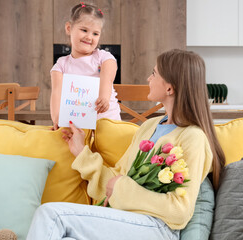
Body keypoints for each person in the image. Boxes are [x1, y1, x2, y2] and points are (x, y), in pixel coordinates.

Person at [27, 49, 226, 240]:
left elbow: (180, 210)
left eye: (153, 73)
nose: (149, 79)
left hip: (158, 228)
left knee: (51, 214)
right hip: (129, 220)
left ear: (169, 88)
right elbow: (115, 180)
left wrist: (121, 189)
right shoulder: (150, 126)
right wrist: (81, 152)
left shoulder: (193, 137)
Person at [50, 2, 121, 130]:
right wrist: (56, 118)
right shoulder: (61, 65)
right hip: (77, 126)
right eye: (84, 30)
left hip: (106, 123)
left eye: (95, 33)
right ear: (69, 28)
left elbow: (107, 77)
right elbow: (56, 93)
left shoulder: (104, 58)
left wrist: (104, 97)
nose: (89, 37)